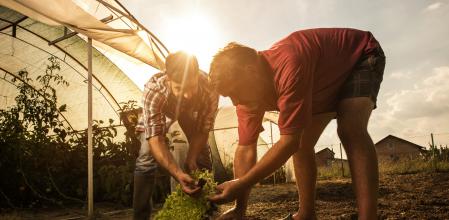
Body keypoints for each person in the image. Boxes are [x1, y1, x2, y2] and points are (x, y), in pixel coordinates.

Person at [208, 28, 385, 220]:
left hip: (359, 57)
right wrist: (239, 209)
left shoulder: (290, 63)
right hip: (320, 81)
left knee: (350, 128)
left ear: (250, 73)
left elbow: (288, 142)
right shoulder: (247, 98)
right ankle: (306, 215)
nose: (235, 102)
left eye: (234, 92)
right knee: (302, 144)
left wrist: (242, 183)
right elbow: (245, 150)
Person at [132, 51, 219, 220]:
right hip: (162, 113)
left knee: (202, 160)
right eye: (179, 88)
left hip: (191, 113)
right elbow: (155, 138)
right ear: (168, 78)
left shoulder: (210, 88)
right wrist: (177, 173)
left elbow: (203, 129)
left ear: (197, 76)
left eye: (191, 87)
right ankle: (140, 216)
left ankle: (205, 210)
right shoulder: (155, 90)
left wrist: (191, 157)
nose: (187, 95)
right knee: (145, 159)